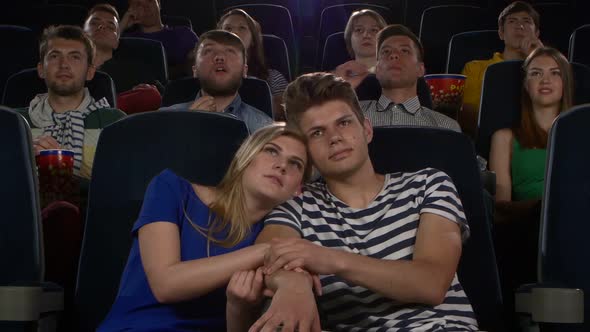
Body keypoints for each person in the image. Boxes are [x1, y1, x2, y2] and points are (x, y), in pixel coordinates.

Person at [245, 72, 478, 331]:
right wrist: (293, 284)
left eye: (343, 123)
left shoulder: (428, 184)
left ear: (366, 129)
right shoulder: (295, 207)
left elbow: (431, 284)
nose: (334, 138)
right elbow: (267, 258)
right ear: (306, 150)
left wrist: (330, 259)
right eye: (318, 132)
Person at [97, 124, 312, 331]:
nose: (282, 165)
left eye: (295, 164)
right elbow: (165, 284)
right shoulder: (171, 188)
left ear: (298, 189)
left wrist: (239, 308)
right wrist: (263, 251)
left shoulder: (275, 233)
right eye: (272, 151)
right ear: (246, 158)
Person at [20, 25, 124, 179]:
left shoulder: (114, 122)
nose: (64, 65)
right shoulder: (14, 123)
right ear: (41, 69)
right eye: (55, 56)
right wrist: (24, 161)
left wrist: (63, 165)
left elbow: (123, 186)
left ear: (90, 72)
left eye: (74, 57)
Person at [490, 46, 572, 203]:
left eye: (555, 73)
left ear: (565, 82)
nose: (545, 80)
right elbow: (502, 209)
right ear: (527, 85)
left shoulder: (582, 134)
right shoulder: (504, 138)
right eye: (536, 73)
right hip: (529, 220)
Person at [160, 30, 273, 133]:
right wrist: (187, 126)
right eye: (208, 51)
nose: (219, 57)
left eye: (230, 51)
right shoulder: (162, 119)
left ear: (244, 70)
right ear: (195, 70)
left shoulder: (264, 129)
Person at [461, 1, 542, 136]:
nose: (520, 26)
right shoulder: (474, 68)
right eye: (512, 21)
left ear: (537, 33)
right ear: (501, 33)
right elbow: (466, 114)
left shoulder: (550, 69)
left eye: (527, 21)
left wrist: (540, 59)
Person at [360, 24, 461, 132]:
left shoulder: (447, 128)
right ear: (377, 70)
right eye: (386, 51)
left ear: (420, 69)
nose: (393, 55)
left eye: (404, 51)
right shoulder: (352, 114)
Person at [83, 3, 163, 113]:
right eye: (94, 23)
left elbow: (159, 98)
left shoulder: (135, 70)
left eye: (110, 26)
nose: (102, 27)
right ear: (82, 33)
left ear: (117, 41)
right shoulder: (69, 68)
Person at [218, 8, 289, 120]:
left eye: (242, 28)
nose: (234, 33)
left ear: (253, 40)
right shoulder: (208, 76)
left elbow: (284, 115)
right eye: (228, 28)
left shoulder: (273, 78)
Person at [120, 0, 199, 79]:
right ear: (131, 11)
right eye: (139, 4)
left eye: (150, 1)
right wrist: (122, 26)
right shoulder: (127, 40)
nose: (146, 7)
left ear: (159, 4)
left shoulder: (184, 33)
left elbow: (203, 58)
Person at [333, 9, 387, 84]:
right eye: (359, 30)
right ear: (349, 38)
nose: (366, 35)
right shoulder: (337, 77)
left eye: (374, 30)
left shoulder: (395, 74)